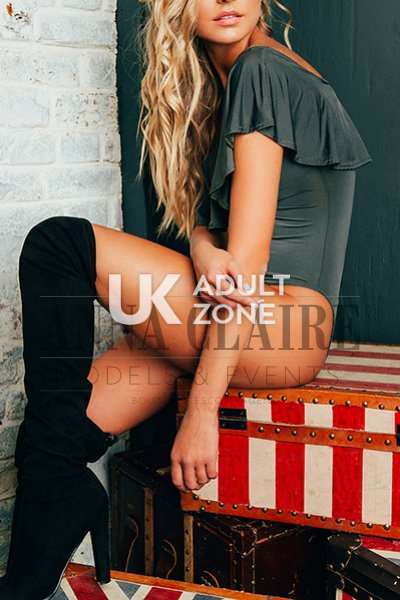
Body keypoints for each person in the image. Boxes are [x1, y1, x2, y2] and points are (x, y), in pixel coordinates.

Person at [0, 0, 372, 597]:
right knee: (54, 439)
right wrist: (201, 247)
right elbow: (218, 235)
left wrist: (202, 412)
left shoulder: (261, 70)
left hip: (281, 323)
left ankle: (65, 500)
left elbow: (247, 269)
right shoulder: (233, 81)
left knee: (57, 246)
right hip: (258, 319)